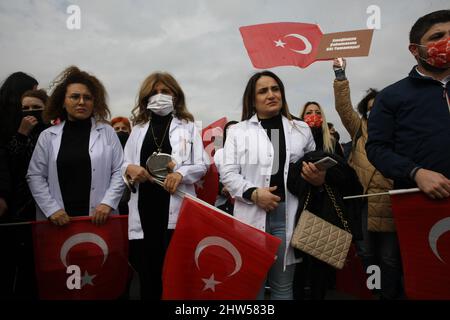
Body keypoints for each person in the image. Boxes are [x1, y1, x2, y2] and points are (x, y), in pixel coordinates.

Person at [219, 70, 316, 300]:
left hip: (288, 216)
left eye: (275, 89)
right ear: (252, 100)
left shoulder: (301, 129)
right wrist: (253, 193)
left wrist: (316, 176)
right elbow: (228, 173)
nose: (271, 94)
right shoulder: (237, 131)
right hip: (252, 214)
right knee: (252, 288)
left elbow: (313, 164)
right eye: (263, 91)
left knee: (283, 288)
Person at [123, 71, 209, 299]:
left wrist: (181, 173)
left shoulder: (188, 126)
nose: (159, 96)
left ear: (175, 95)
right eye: (154, 92)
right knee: (148, 278)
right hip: (144, 208)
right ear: (146, 98)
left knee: (175, 278)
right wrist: (129, 169)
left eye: (164, 91)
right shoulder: (138, 128)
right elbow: (124, 164)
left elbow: (202, 164)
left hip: (175, 209)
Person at [333, 58, 403, 299]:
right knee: (366, 253)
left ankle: (389, 294)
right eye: (370, 108)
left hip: (391, 203)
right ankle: (372, 293)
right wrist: (340, 75)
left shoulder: (401, 131)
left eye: (379, 107)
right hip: (363, 203)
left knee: (390, 257)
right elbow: (343, 107)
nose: (375, 112)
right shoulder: (359, 130)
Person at [366, 10, 450, 200]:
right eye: (438, 36)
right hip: (422, 201)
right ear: (415, 49)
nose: (447, 41)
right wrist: (415, 172)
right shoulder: (391, 96)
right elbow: (377, 149)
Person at [27, 66, 125, 226]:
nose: (81, 102)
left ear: (94, 102)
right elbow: (35, 175)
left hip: (100, 218)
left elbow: (119, 170)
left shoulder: (107, 132)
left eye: (87, 97)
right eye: (74, 97)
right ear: (63, 102)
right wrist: (52, 210)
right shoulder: (48, 136)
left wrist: (108, 203)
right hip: (59, 220)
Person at [0, 72, 39, 299]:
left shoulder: (47, 131)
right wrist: (22, 134)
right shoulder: (10, 124)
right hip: (12, 202)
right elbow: (9, 163)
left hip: (33, 207)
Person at [214, 120, 238, 214]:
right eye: (229, 130)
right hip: (223, 204)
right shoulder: (219, 153)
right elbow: (213, 176)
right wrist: (222, 188)